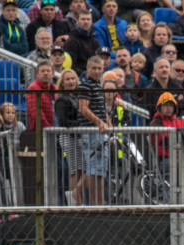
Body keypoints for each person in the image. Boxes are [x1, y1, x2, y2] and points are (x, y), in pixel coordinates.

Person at [78, 56, 111, 205]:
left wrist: (108, 124)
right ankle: (95, 204)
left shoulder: (98, 85)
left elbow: (102, 110)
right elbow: (83, 109)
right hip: (91, 132)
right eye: (94, 68)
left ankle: (99, 203)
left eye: (99, 68)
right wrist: (100, 123)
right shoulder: (85, 86)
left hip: (100, 131)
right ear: (87, 68)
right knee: (93, 169)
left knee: (100, 170)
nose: (97, 71)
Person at [55, 68, 86, 205]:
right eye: (67, 79)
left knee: (82, 169)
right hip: (69, 137)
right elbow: (64, 122)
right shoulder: (62, 99)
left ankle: (77, 198)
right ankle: (76, 201)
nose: (71, 81)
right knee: (75, 170)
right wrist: (83, 123)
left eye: (73, 78)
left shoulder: (77, 97)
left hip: (78, 137)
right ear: (62, 82)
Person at [149, 92, 184, 199]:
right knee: (179, 163)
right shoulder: (155, 123)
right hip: (163, 161)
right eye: (165, 105)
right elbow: (164, 140)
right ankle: (174, 198)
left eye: (171, 105)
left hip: (181, 158)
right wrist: (180, 136)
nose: (169, 108)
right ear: (159, 107)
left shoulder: (181, 122)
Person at [64, 9, 98, 74]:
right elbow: (71, 65)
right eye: (83, 19)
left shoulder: (95, 43)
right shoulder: (71, 42)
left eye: (88, 19)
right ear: (77, 21)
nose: (86, 22)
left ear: (91, 22)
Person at [26, 60, 56, 129]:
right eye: (42, 71)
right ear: (37, 74)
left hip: (56, 130)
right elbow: (36, 113)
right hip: (40, 131)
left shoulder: (55, 88)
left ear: (53, 74)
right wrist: (48, 129)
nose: (45, 73)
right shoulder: (33, 88)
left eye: (48, 71)